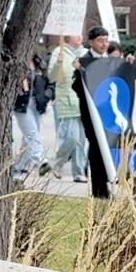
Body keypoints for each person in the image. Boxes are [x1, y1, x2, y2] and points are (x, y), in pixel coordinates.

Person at [45, 33, 89, 182]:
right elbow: (52, 77)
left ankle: (79, 171)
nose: (79, 36)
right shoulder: (60, 52)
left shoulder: (85, 53)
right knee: (71, 137)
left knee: (82, 140)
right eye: (75, 34)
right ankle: (56, 163)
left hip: (84, 101)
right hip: (67, 101)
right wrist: (58, 63)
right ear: (68, 36)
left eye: (80, 33)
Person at [12, 52, 51, 181]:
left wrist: (46, 96)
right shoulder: (15, 62)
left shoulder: (39, 63)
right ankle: (41, 160)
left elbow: (49, 81)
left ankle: (18, 168)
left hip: (36, 104)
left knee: (28, 139)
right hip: (22, 104)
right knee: (32, 134)